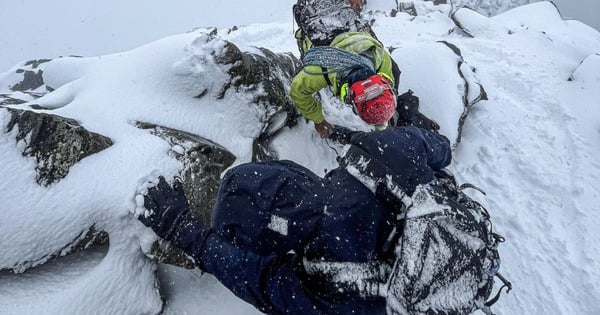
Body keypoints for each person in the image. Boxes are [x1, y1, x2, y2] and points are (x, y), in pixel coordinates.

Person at [137, 126, 452, 315]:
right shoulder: (382, 152)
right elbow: (441, 149)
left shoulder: (327, 284)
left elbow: (251, 276)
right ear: (298, 174)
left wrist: (182, 229)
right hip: (458, 235)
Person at [291, 0, 439, 139]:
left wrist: (381, 117)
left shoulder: (379, 57)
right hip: (313, 10)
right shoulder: (320, 70)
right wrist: (318, 120)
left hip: (338, 20)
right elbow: (298, 91)